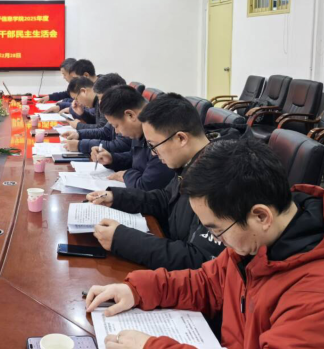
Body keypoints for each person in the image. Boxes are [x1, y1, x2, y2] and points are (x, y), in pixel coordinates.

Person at [85, 139, 324, 349]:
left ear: (260, 216)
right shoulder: (257, 244)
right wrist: (137, 290)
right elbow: (208, 282)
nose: (216, 240)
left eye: (217, 229)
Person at [86, 93, 246, 270]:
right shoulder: (193, 161)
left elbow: (199, 259)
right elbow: (165, 198)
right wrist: (116, 197)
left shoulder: (222, 178)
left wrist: (122, 239)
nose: (153, 153)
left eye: (153, 145)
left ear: (181, 138)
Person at [87, 85, 174, 190]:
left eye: (116, 126)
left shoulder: (160, 133)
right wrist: (112, 159)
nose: (117, 132)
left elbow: (147, 186)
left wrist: (126, 175)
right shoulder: (139, 130)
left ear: (130, 115)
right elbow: (137, 158)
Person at [61, 75, 131, 156]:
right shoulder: (114, 109)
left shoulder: (124, 113)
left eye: (101, 98)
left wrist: (80, 144)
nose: (100, 103)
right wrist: (79, 134)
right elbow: (105, 131)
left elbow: (120, 145)